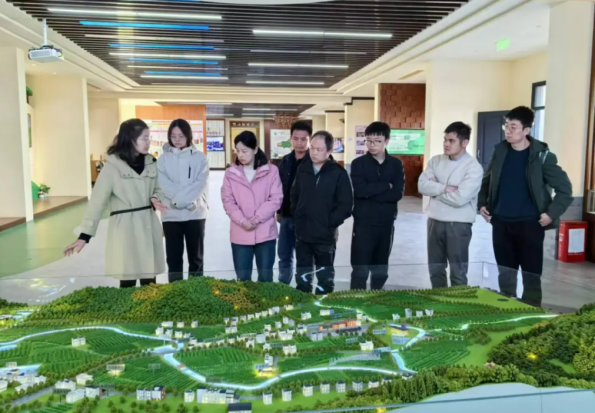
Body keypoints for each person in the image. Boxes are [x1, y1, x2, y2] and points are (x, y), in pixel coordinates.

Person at [478, 106, 573, 306]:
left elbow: (565, 190)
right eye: (506, 126)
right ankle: (506, 310)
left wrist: (551, 214)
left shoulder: (542, 156)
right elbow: (487, 181)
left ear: (526, 130)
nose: (508, 131)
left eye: (513, 127)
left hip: (530, 224)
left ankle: (531, 313)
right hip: (501, 223)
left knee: (531, 275)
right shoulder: (500, 152)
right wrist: (481, 204)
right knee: (505, 274)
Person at [63, 119, 168, 287]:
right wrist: (84, 236)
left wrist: (156, 198)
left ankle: (148, 304)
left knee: (149, 278)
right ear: (130, 139)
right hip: (125, 228)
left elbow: (159, 189)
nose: (148, 142)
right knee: (127, 276)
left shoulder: (151, 163)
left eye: (149, 138)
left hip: (148, 223)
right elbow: (97, 203)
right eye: (144, 138)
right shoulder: (112, 167)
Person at [418, 122, 483, 288]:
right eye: (445, 140)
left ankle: (457, 303)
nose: (446, 144)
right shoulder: (436, 161)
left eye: (451, 141)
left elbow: (460, 198)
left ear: (464, 142)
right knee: (435, 269)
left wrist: (435, 189)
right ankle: (439, 300)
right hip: (434, 221)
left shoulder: (473, 167)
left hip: (458, 224)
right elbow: (422, 186)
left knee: (458, 271)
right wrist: (445, 188)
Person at [291, 131, 353, 294]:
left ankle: (323, 307)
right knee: (302, 277)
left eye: (319, 149)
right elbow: (294, 196)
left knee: (325, 278)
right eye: (312, 148)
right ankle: (303, 306)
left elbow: (346, 205)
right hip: (303, 234)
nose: (314, 152)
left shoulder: (338, 173)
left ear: (329, 151)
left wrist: (329, 223)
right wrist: (298, 217)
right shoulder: (303, 169)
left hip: (325, 236)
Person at [221, 131, 283, 282]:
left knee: (266, 278)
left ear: (255, 149)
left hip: (265, 233)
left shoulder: (271, 171)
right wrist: (243, 221)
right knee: (243, 279)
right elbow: (228, 201)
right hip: (240, 233)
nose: (240, 155)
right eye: (237, 151)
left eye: (244, 151)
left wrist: (255, 220)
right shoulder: (231, 173)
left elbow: (276, 198)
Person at [350, 122, 404, 290]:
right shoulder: (358, 163)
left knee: (380, 267)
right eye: (369, 141)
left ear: (386, 141)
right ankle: (356, 300)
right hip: (363, 222)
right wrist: (386, 185)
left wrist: (371, 192)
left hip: (386, 222)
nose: (372, 145)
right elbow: (360, 191)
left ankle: (376, 298)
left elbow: (397, 194)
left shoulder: (396, 164)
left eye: (377, 141)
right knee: (360, 267)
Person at [158, 119, 209, 283]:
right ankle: (176, 292)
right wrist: (182, 202)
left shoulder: (200, 158)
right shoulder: (162, 159)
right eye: (173, 136)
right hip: (171, 215)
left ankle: (196, 291)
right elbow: (163, 184)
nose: (177, 139)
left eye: (181, 136)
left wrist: (182, 201)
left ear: (188, 136)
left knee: (196, 259)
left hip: (195, 214)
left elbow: (199, 184)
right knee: (173, 259)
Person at [277, 120, 312, 285]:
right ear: (291, 138)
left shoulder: (314, 161)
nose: (299, 143)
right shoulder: (285, 160)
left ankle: (303, 289)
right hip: (286, 216)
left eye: (304, 139)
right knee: (284, 255)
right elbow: (280, 188)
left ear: (309, 139)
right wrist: (279, 211)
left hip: (306, 219)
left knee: (304, 257)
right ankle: (283, 287)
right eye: (296, 139)